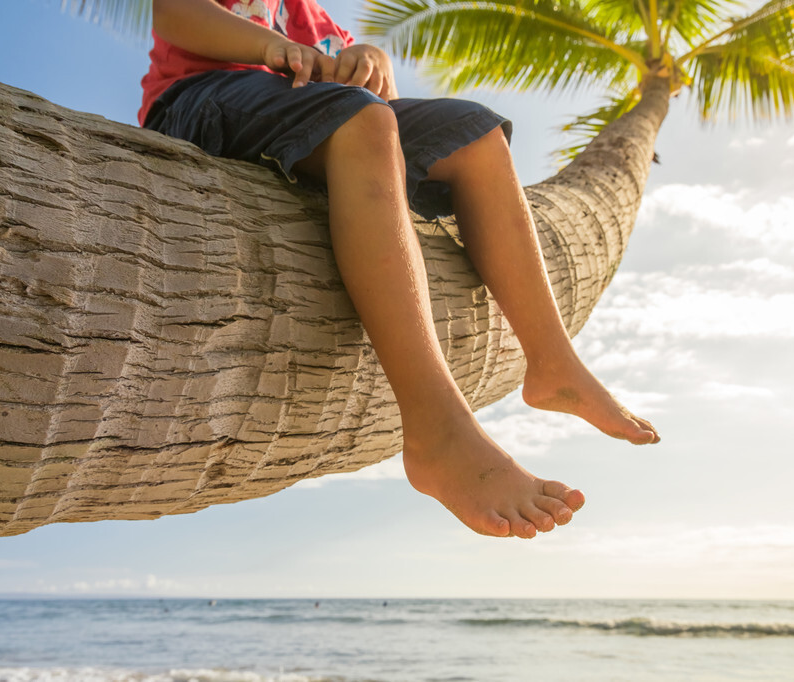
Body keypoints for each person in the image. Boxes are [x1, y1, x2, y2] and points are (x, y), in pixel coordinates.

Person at [141, 0, 660, 540]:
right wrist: (270, 48)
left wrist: (370, 59)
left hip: (310, 112)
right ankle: (439, 434)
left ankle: (554, 365)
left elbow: (372, 98)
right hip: (199, 99)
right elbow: (173, 14)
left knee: (475, 133)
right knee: (361, 118)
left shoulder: (304, 13)